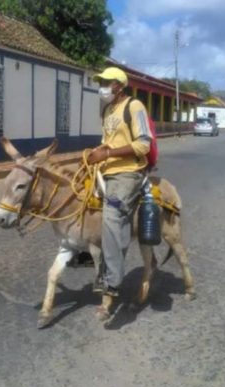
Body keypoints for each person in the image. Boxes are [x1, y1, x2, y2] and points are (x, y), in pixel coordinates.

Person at [87, 67, 152, 298]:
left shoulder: (134, 106)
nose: (102, 86)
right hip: (105, 170)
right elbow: (107, 142)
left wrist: (107, 155)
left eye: (107, 82)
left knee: (112, 216)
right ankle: (84, 252)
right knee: (78, 201)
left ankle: (111, 280)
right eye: (101, 82)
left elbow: (144, 144)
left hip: (127, 172)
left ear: (120, 85)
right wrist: (93, 153)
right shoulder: (107, 110)